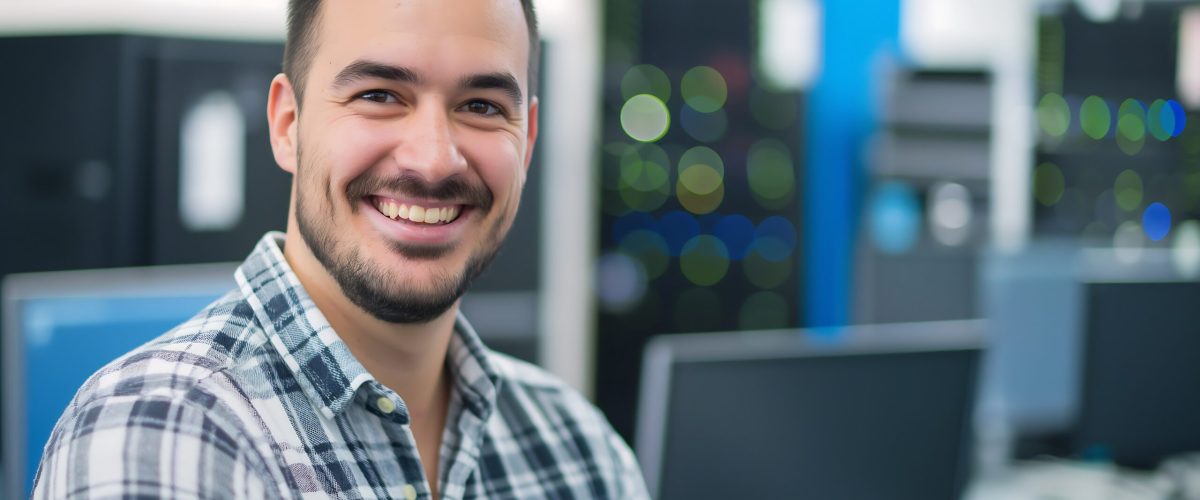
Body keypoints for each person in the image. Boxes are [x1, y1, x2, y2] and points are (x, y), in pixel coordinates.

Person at [32, 0, 649, 498]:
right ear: (287, 125)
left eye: (482, 106)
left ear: (528, 141)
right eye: (379, 95)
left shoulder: (581, 450)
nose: (433, 158)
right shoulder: (162, 430)